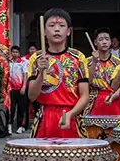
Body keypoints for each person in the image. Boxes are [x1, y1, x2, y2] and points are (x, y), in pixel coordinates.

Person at [27, 8, 90, 138]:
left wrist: (70, 114)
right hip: (44, 118)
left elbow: (85, 95)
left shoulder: (78, 58)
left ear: (68, 31)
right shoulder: (36, 58)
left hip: (71, 115)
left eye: (61, 25)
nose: (57, 29)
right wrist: (41, 73)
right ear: (44, 31)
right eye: (51, 25)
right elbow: (32, 96)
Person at [86, 27, 120, 116]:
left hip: (113, 100)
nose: (104, 42)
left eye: (107, 39)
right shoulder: (87, 62)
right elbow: (87, 83)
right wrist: (94, 62)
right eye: (101, 39)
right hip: (93, 103)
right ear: (95, 43)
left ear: (110, 42)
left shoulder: (118, 63)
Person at [9, 45, 28, 133]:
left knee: (21, 108)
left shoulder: (23, 62)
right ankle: (9, 125)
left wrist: (24, 86)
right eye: (13, 52)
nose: (15, 54)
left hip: (20, 88)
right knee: (11, 108)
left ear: (19, 53)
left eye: (16, 52)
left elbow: (25, 75)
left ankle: (20, 126)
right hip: (11, 89)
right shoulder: (9, 62)